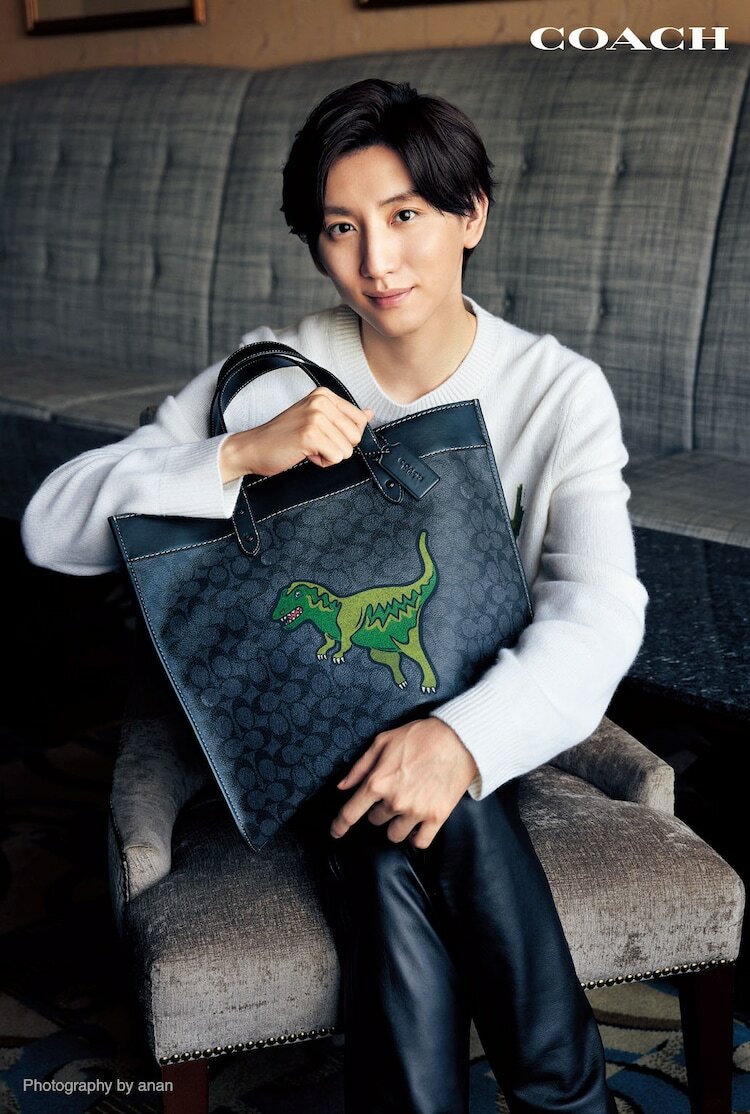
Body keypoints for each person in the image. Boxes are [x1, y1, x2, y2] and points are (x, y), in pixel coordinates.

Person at [21, 78, 647, 1113]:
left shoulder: (555, 389)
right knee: (388, 796)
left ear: (471, 214)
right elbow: (51, 528)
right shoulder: (276, 375)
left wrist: (459, 742)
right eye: (342, 228)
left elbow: (601, 608)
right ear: (315, 244)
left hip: (478, 720)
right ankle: (569, 1098)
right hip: (301, 722)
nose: (377, 262)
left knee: (390, 834)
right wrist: (237, 454)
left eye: (406, 216)